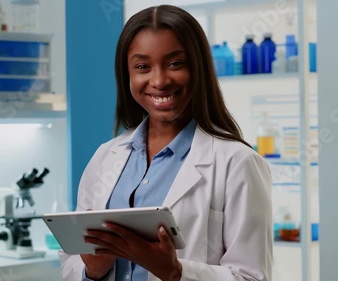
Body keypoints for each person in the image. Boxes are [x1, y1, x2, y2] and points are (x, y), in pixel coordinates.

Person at [60, 4, 272, 281]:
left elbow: (253, 277)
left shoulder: (238, 163)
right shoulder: (105, 158)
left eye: (175, 63)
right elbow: (71, 261)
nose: (159, 80)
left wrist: (175, 272)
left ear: (199, 68)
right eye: (142, 66)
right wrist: (93, 270)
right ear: (127, 75)